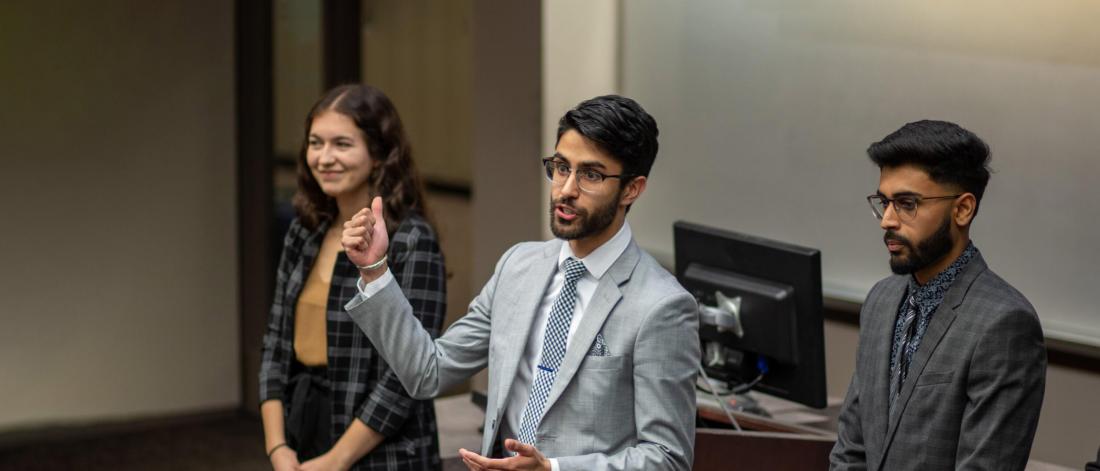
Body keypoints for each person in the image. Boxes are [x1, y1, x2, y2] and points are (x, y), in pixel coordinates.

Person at [341, 95, 700, 471]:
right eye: (561, 167)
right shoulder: (518, 266)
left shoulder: (662, 306)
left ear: (632, 189)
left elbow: (668, 459)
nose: (566, 189)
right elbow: (427, 372)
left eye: (591, 175)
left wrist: (553, 469)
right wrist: (375, 270)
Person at [830, 120, 1046, 470]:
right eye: (884, 201)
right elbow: (850, 452)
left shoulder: (1004, 324)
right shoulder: (880, 301)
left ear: (962, 209)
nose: (887, 220)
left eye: (907, 203)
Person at [259, 84, 446, 471]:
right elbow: (275, 346)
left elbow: (406, 375)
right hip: (305, 426)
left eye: (342, 144)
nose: (325, 158)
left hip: (382, 448)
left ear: (378, 155)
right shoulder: (304, 231)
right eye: (315, 143)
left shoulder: (412, 240)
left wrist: (337, 460)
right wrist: (278, 448)